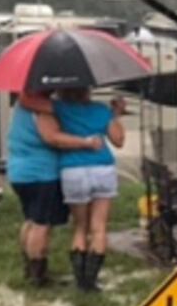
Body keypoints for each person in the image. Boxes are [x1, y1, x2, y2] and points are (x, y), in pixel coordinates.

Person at [7, 92, 107, 287]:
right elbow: (52, 137)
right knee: (42, 224)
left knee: (31, 220)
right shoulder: (41, 109)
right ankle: (39, 275)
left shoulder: (22, 105)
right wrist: (86, 143)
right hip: (41, 173)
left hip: (20, 172)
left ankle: (29, 268)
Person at [53, 89, 127, 292]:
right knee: (99, 227)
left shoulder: (59, 109)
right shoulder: (101, 110)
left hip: (73, 168)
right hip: (103, 169)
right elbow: (118, 141)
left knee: (79, 227)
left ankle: (80, 281)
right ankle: (91, 281)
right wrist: (115, 114)